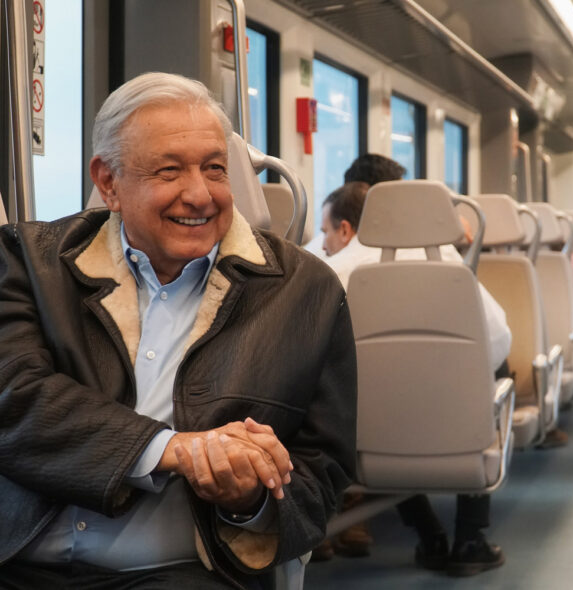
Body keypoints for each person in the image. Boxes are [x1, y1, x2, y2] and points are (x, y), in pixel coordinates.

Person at [0, 72, 356, 590]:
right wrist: (180, 451)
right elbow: (14, 399)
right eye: (169, 172)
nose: (200, 195)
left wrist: (248, 501)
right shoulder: (28, 263)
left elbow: (322, 475)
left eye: (215, 169)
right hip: (19, 559)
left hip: (185, 573)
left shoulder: (306, 292)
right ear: (108, 183)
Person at [317, 178, 511, 577]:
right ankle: (470, 539)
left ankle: (429, 533)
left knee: (375, 404)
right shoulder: (451, 267)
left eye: (324, 232)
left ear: (346, 229)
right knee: (485, 378)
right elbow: (499, 340)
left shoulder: (327, 275)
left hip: (365, 447)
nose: (322, 243)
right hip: (457, 441)